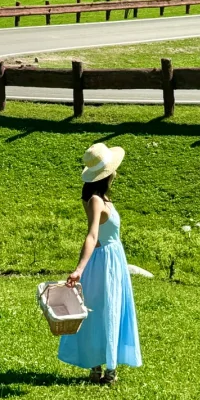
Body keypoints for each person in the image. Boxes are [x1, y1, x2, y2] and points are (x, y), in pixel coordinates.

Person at [58, 142, 142, 385]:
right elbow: (93, 235)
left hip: (112, 258)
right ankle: (101, 368)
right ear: (108, 174)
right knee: (103, 310)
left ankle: (105, 366)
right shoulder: (96, 200)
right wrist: (79, 269)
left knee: (110, 308)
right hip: (104, 261)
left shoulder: (102, 198)